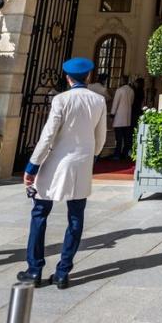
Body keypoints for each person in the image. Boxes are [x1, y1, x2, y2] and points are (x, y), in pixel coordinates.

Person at [20, 57, 107, 289]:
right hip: (81, 164)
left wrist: (32, 166)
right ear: (88, 77)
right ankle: (62, 272)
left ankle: (34, 269)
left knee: (40, 213)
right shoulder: (98, 100)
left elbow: (48, 135)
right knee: (76, 217)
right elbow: (101, 137)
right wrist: (92, 155)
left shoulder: (61, 99)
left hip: (55, 163)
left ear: (67, 78)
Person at [110, 78, 135, 160]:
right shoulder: (131, 90)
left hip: (119, 117)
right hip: (127, 117)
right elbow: (131, 102)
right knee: (126, 137)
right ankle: (125, 153)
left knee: (119, 138)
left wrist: (112, 113)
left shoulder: (119, 90)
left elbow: (115, 103)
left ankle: (117, 154)